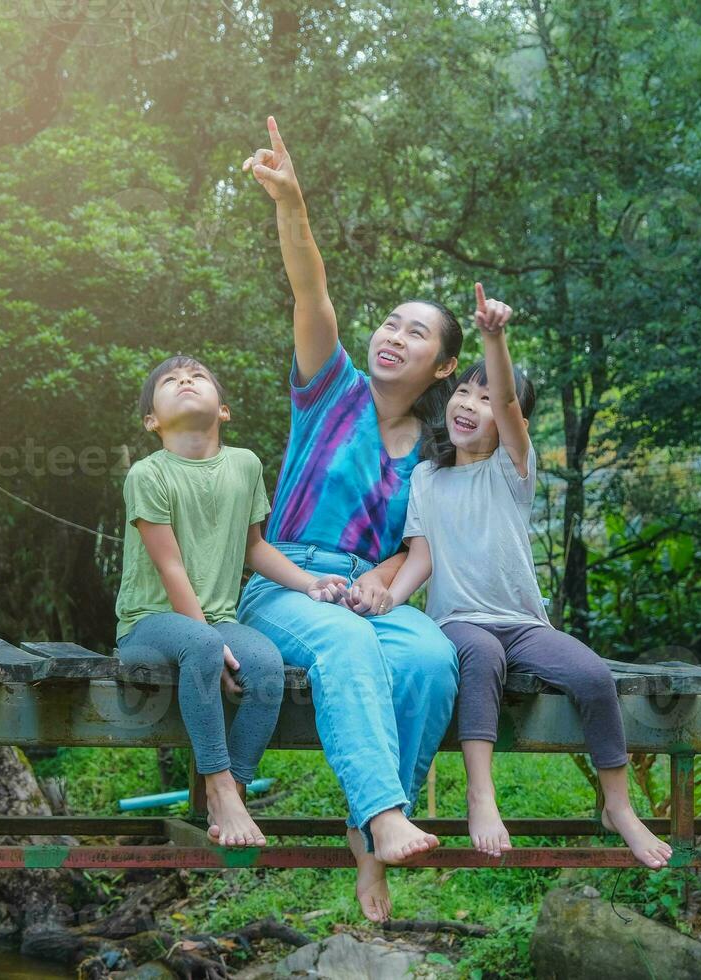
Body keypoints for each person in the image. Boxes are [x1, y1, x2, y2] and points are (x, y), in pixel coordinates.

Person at [237, 116, 461, 921]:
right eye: (392, 321)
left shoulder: (435, 454)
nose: (395, 335)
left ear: (443, 366)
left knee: (434, 657)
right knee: (341, 639)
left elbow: (417, 551)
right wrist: (291, 203)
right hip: (285, 580)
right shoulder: (328, 389)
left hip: (370, 594)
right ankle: (384, 818)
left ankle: (369, 833)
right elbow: (311, 287)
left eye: (417, 331)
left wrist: (383, 587)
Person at [387, 283, 674, 869]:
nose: (470, 403)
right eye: (463, 392)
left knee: (593, 675)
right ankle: (481, 794)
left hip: (522, 622)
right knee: (481, 657)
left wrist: (494, 337)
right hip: (459, 622)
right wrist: (384, 599)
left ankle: (617, 804)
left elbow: (514, 414)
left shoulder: (511, 469)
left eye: (487, 399)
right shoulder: (425, 479)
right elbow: (420, 557)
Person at [115, 354, 349, 847]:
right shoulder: (148, 474)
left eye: (197, 376)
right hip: (148, 624)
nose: (185, 380)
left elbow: (255, 547)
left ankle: (235, 789)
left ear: (223, 410)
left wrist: (308, 582)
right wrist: (208, 640)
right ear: (151, 421)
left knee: (265, 664)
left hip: (217, 620)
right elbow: (171, 567)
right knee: (203, 643)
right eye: (171, 380)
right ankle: (217, 785)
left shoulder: (244, 465)